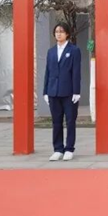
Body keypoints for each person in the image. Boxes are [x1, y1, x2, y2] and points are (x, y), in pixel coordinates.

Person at [43, 22, 81, 162]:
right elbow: (48, 72)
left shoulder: (74, 50)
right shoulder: (51, 51)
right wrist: (45, 91)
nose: (58, 34)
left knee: (70, 121)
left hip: (69, 92)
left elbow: (76, 72)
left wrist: (76, 91)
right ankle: (58, 149)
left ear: (67, 34)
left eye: (61, 31)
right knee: (56, 122)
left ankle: (69, 148)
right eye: (56, 31)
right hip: (53, 91)